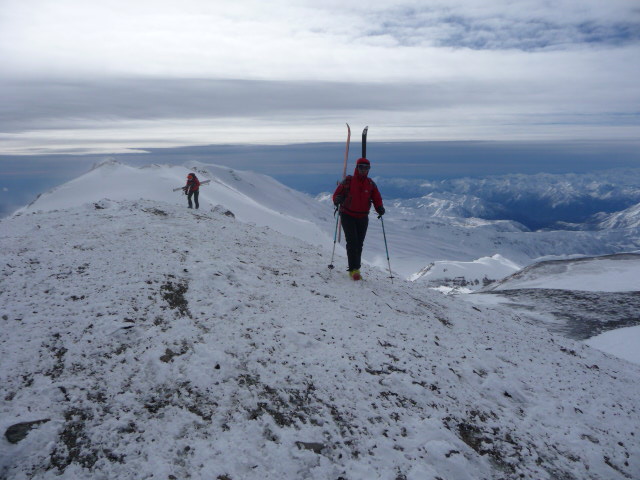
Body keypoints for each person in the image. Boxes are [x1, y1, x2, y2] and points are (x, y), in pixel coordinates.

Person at [332, 157, 385, 280]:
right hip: (347, 215)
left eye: (366, 168)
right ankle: (353, 270)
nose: (364, 170)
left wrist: (380, 207)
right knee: (352, 242)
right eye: (361, 167)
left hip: (362, 216)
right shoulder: (349, 181)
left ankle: (356, 268)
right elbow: (337, 194)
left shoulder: (370, 183)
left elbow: (376, 197)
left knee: (359, 243)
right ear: (357, 168)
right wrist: (337, 200)